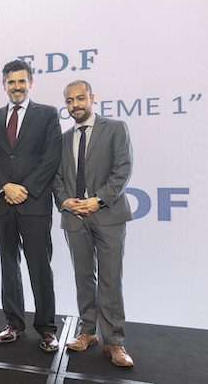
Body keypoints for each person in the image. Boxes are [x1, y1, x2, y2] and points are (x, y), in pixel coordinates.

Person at [0, 60, 62, 352]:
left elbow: (51, 157)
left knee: (40, 266)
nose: (16, 87)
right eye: (11, 82)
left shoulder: (47, 114)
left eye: (21, 81)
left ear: (30, 83)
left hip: (34, 202)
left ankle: (47, 329)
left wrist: (24, 189)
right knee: (8, 265)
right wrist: (5, 187)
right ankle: (13, 323)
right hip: (1, 202)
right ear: (4, 84)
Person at [52, 80, 134, 367]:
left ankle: (115, 342)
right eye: (69, 101)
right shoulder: (62, 140)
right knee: (83, 277)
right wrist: (65, 201)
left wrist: (98, 200)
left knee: (110, 279)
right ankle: (87, 332)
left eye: (80, 98)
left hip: (108, 215)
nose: (75, 105)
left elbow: (123, 169)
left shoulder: (116, 129)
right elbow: (56, 178)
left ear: (92, 98)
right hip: (74, 217)